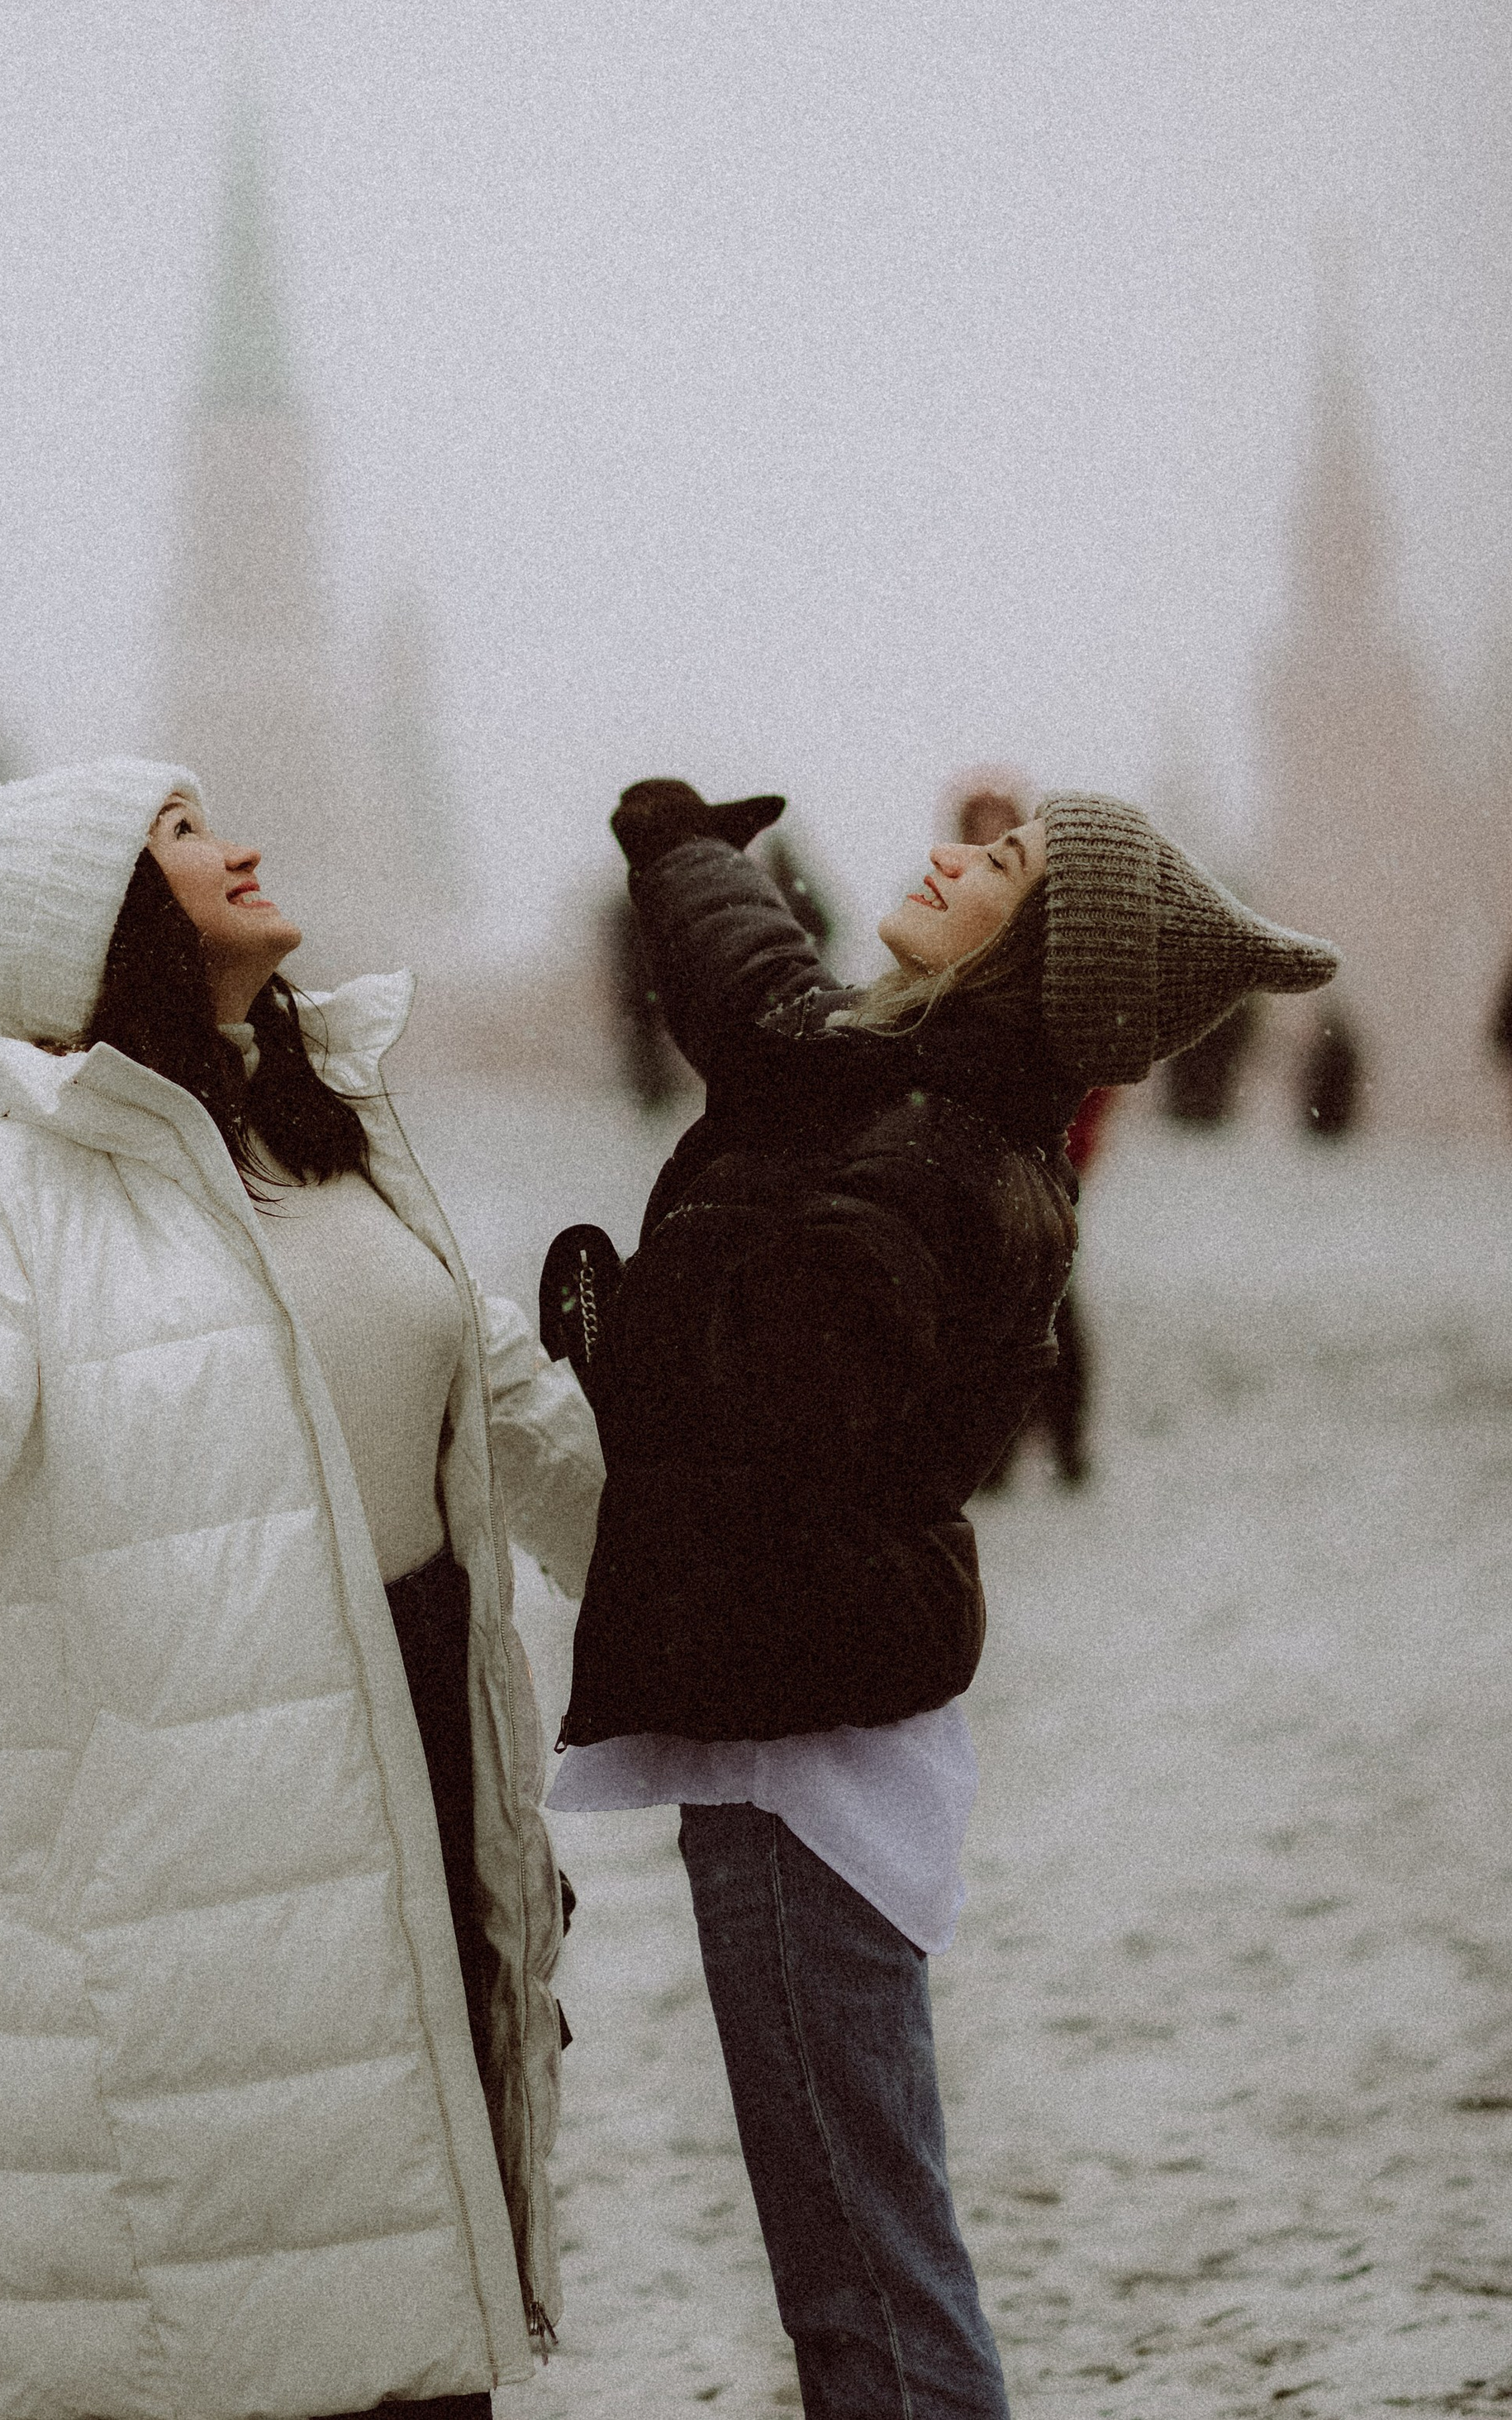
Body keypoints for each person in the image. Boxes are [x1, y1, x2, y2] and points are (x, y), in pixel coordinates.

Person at [0, 756, 604, 2420]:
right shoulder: (10, 1182)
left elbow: (500, 1400)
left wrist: (715, 1573)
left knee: (397, 2253)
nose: (239, 844)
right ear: (97, 920)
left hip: (414, 1757)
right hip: (189, 1829)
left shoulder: (323, 1127)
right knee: (216, 2275)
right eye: (182, 834)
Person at [550, 776, 1338, 2419]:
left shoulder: (923, 1157)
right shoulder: (898, 1088)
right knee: (855, 2257)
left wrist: (616, 1346)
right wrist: (686, 851)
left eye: (1001, 865)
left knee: (865, 2279)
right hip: (809, 1718)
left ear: (1041, 961)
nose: (946, 857)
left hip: (805, 1749)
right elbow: (756, 993)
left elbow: (771, 1438)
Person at [948, 774, 1112, 1490]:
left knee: (1050, 1299)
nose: (988, 840)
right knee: (985, 1303)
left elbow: (1094, 1041)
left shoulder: (1055, 924)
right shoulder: (949, 914)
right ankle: (997, 1451)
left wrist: (1075, 1138)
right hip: (969, 1144)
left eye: (1000, 826)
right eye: (976, 826)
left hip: (1042, 1146)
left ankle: (1066, 1442)